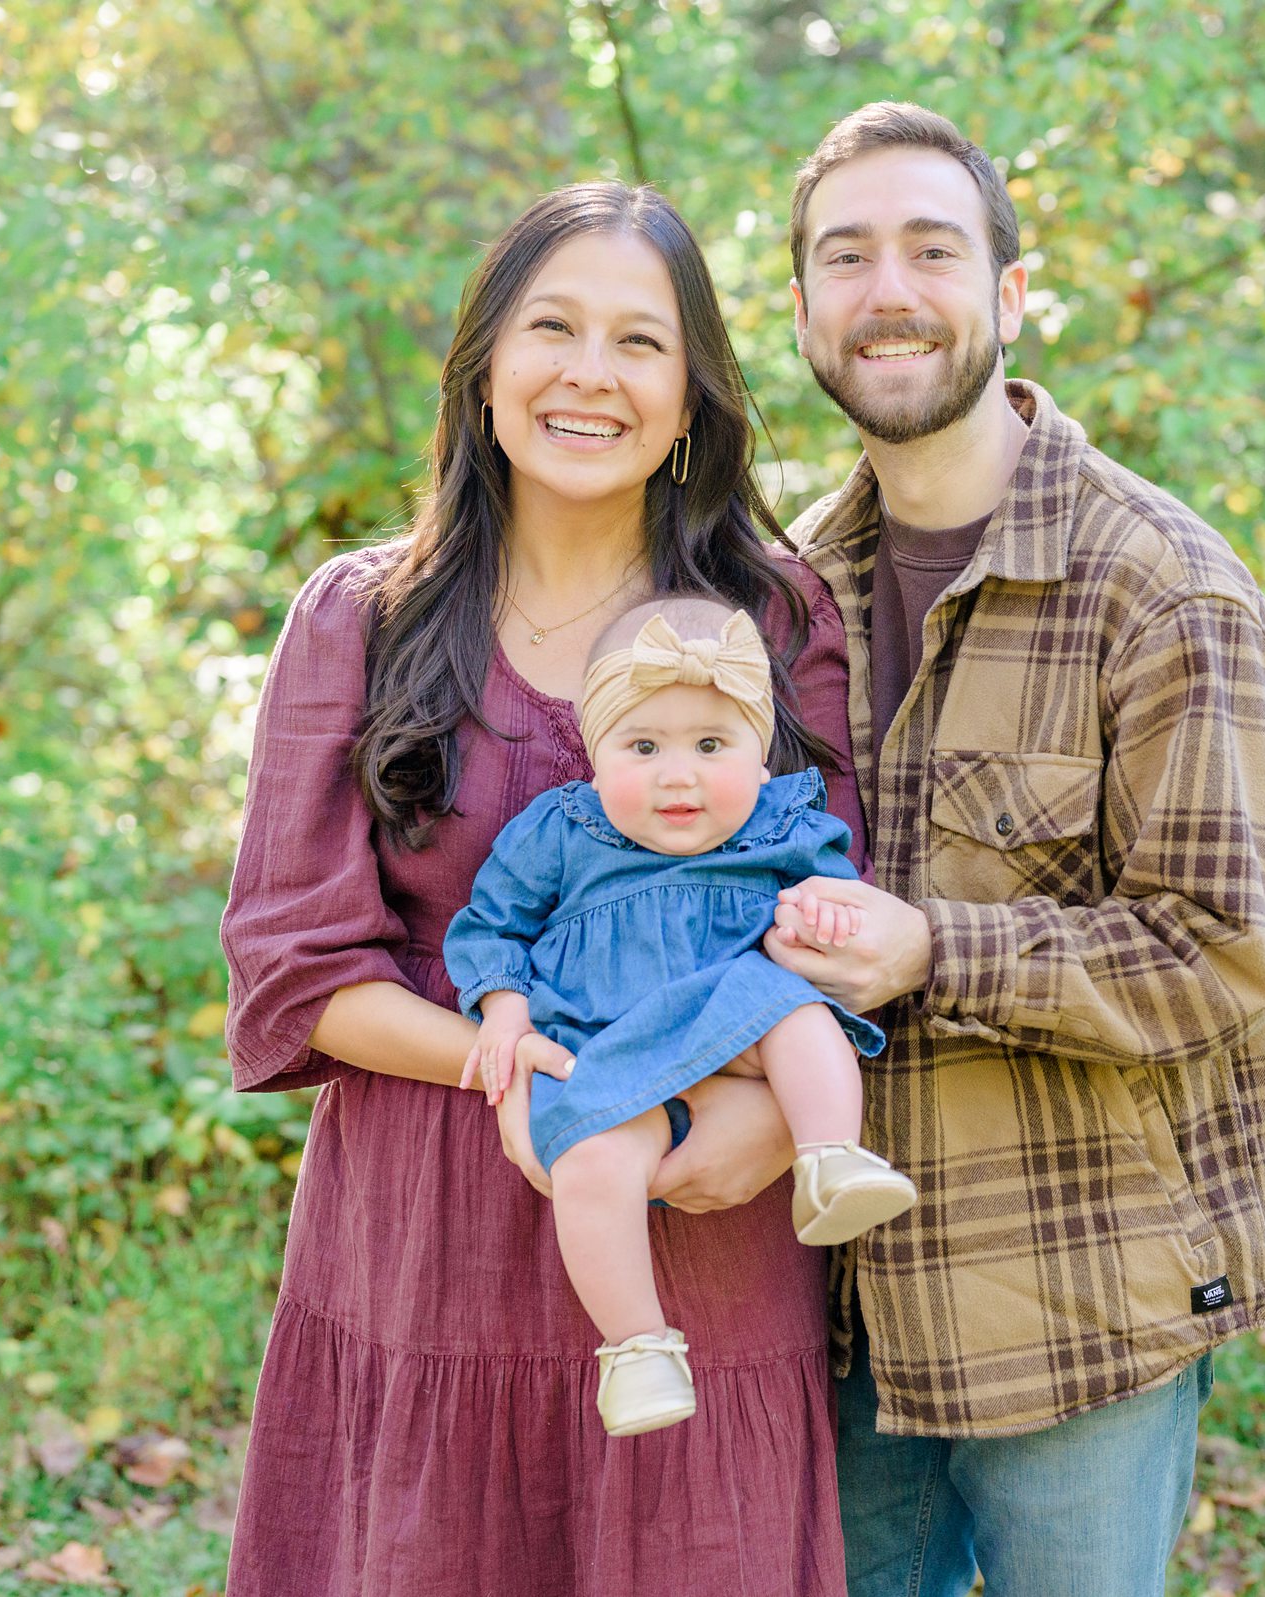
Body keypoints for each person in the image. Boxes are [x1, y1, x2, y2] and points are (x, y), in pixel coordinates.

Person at [218, 183, 862, 1596]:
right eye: (551, 328)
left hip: (698, 1246)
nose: (589, 372)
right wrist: (526, 1069)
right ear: (485, 366)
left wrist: (761, 1113)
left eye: (639, 341)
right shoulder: (361, 617)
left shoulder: (777, 617)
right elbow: (294, 968)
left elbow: (828, 909)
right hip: (429, 1243)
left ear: (691, 392)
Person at [757, 103, 1265, 1597]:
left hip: (1083, 1301)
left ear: (1008, 297)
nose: (889, 288)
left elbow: (1223, 959)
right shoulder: (784, 600)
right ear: (804, 308)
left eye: (933, 250)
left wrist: (937, 949)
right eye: (847, 254)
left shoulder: (1165, 591)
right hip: (841, 1302)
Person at [445, 596, 916, 1438]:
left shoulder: (783, 825)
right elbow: (493, 923)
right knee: (589, 1164)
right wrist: (505, 1011)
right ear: (593, 757)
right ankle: (636, 1347)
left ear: (760, 758)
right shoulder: (564, 828)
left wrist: (821, 915)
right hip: (609, 1050)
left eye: (711, 746)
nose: (678, 774)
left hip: (738, 1012)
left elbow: (834, 899)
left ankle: (829, 1158)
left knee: (799, 1012)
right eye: (643, 746)